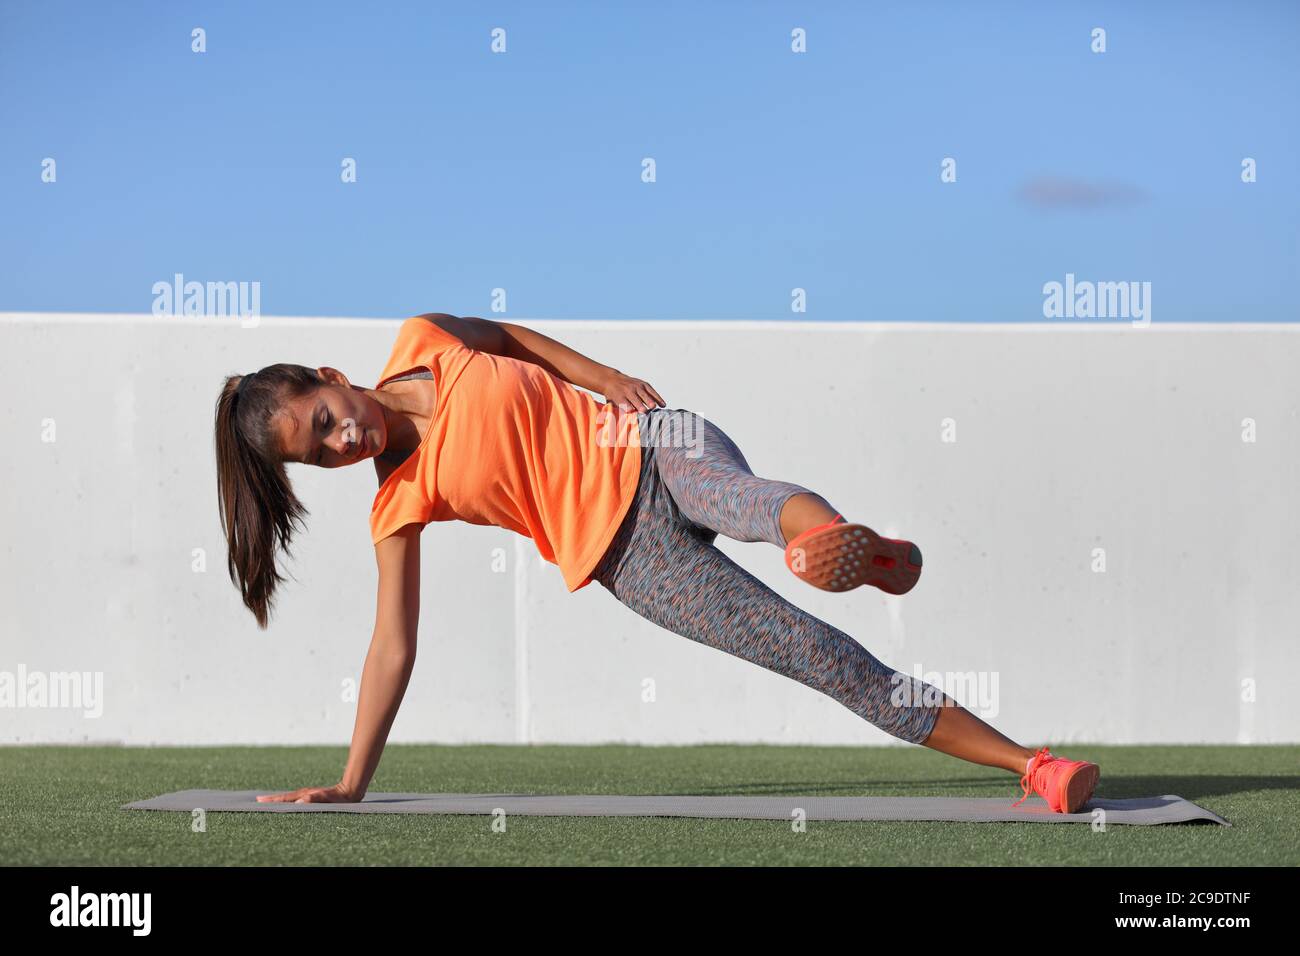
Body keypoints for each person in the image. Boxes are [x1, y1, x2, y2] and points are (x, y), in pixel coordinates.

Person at [214, 313, 1099, 814]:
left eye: (326, 417)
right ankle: (1033, 765)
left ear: (329, 374)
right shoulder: (396, 500)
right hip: (631, 559)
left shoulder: (425, 339)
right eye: (320, 454)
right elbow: (390, 647)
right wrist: (352, 781)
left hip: (648, 439)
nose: (343, 439)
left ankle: (840, 548)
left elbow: (516, 342)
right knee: (819, 658)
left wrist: (606, 378)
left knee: (745, 499)